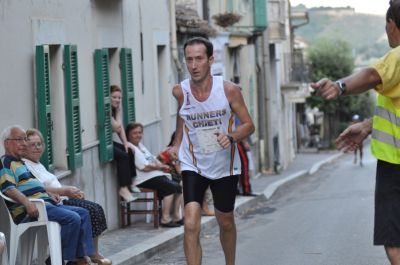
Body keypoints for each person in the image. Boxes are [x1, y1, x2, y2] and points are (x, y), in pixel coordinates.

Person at [311, 2, 400, 264]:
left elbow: (373, 74)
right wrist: (368, 125)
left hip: (396, 166)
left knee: (393, 239)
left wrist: (339, 86)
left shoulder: (397, 57)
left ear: (392, 25)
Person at [170, 37, 255, 265]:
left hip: (224, 164)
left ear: (210, 60)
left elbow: (248, 124)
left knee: (225, 221)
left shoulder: (229, 90)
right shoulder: (180, 91)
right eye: (189, 59)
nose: (194, 65)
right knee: (190, 222)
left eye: (199, 59)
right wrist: (177, 145)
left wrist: (232, 136)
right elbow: (182, 118)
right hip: (193, 163)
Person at [0, 125, 94, 264]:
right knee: (72, 218)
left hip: (44, 203)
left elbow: (33, 185)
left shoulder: (20, 163)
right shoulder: (5, 162)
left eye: (25, 139)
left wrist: (48, 193)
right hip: (30, 209)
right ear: (7, 143)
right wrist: (27, 203)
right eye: (20, 139)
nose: (24, 143)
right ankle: (66, 259)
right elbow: (8, 188)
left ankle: (77, 258)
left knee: (84, 213)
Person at [22, 128, 112, 265]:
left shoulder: (38, 164)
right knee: (89, 210)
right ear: (24, 147)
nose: (36, 148)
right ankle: (83, 256)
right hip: (52, 202)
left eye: (39, 144)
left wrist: (71, 191)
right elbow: (37, 188)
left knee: (96, 208)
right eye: (32, 145)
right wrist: (65, 191)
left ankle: (90, 252)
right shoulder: (25, 165)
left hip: (60, 198)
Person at [125, 122, 183, 227]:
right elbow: (144, 167)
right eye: (135, 133)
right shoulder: (130, 147)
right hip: (142, 179)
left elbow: (153, 159)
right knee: (170, 187)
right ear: (128, 135)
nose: (138, 135)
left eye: (140, 133)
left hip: (153, 175)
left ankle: (176, 216)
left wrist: (162, 163)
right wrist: (161, 167)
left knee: (178, 186)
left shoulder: (140, 146)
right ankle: (165, 219)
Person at [110, 85, 137, 202]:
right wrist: (118, 112)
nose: (117, 100)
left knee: (129, 150)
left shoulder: (114, 110)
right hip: (103, 144)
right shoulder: (107, 110)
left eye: (119, 98)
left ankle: (131, 183)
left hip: (109, 142)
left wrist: (126, 143)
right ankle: (123, 188)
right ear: (108, 98)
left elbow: (120, 130)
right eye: (114, 97)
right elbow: (117, 127)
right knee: (123, 155)